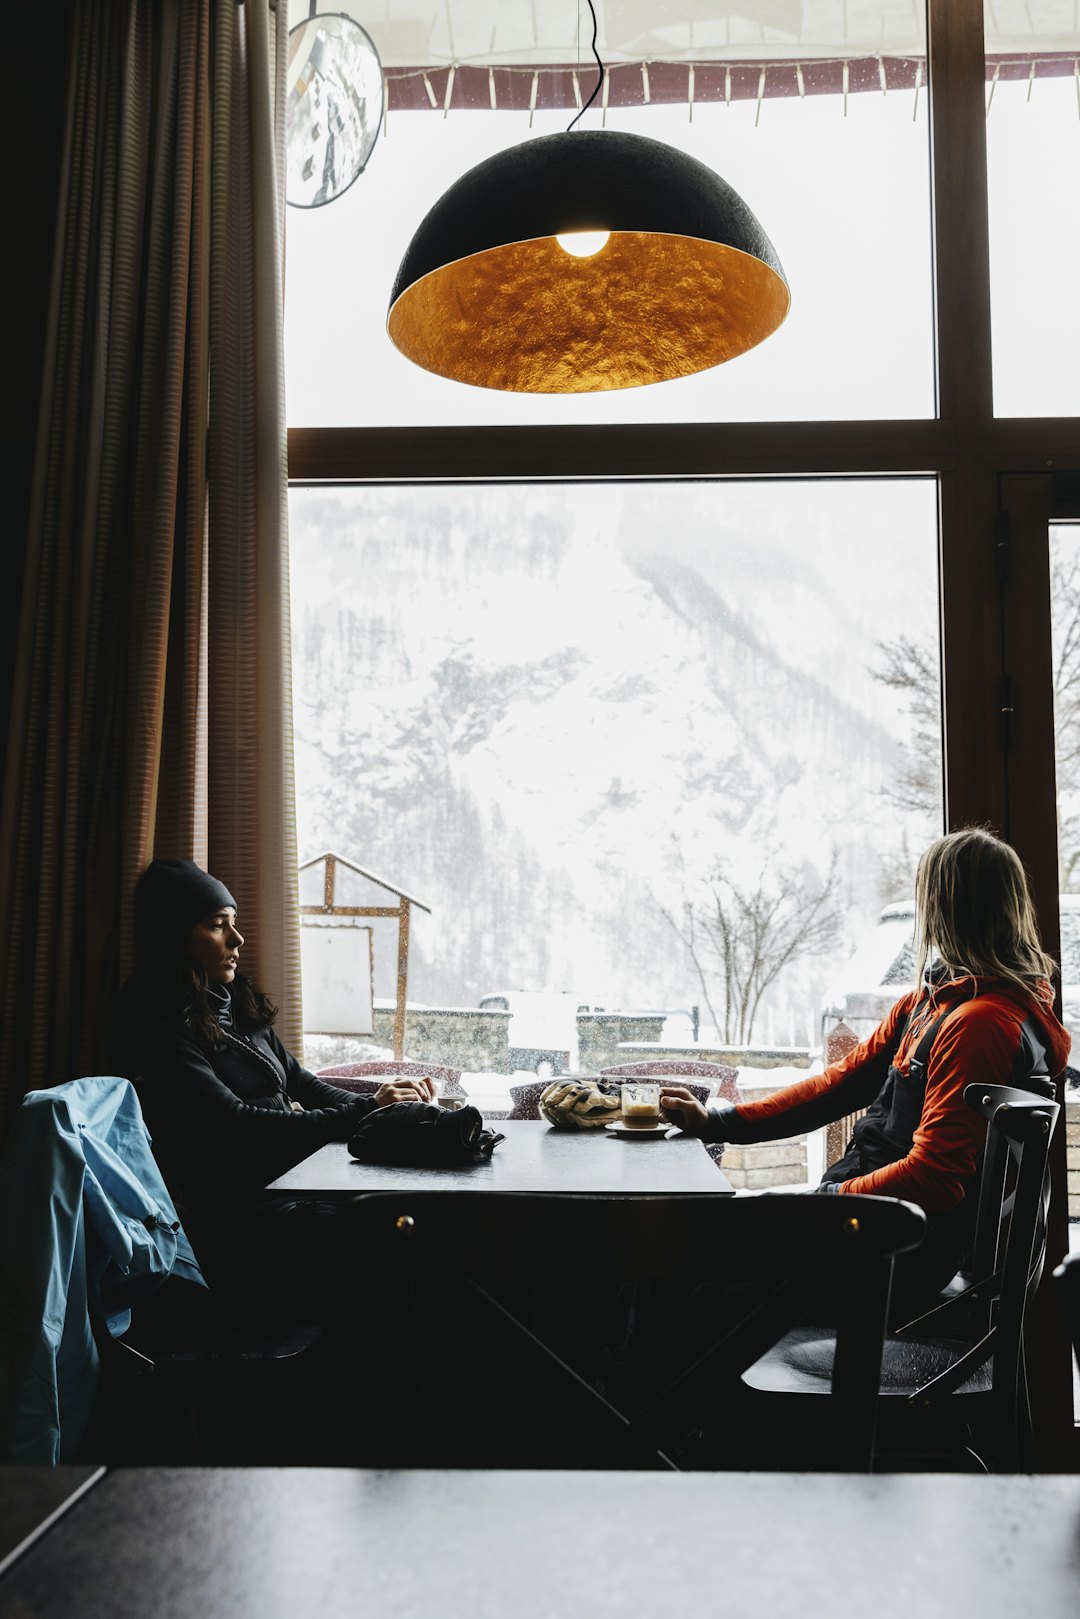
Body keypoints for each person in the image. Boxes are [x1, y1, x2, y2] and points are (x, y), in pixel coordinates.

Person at [658, 827, 1071, 1323]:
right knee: (702, 1253)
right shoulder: (934, 1005)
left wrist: (827, 1202)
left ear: (945, 908)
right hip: (872, 1222)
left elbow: (935, 1179)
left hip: (895, 1245)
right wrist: (722, 1122)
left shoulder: (978, 1024)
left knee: (690, 1271)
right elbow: (838, 1086)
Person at [107, 858, 434, 1323]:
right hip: (240, 1212)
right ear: (175, 937)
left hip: (289, 1179)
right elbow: (234, 1126)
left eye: (234, 924)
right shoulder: (155, 1026)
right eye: (218, 926)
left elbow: (302, 1083)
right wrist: (367, 1110)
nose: (237, 940)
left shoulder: (234, 1004)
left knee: (417, 1206)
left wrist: (385, 1106)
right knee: (393, 1229)